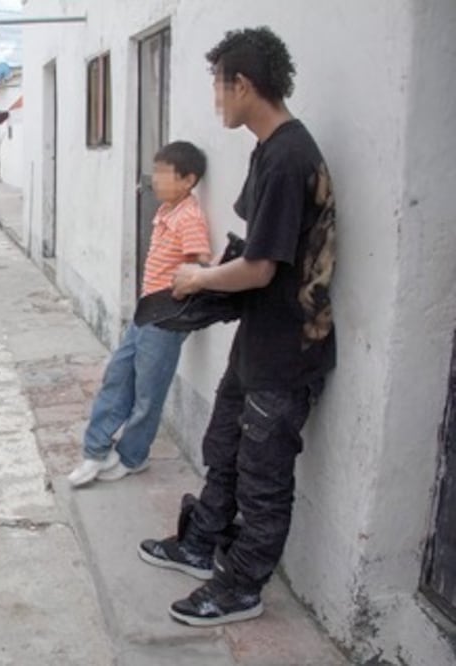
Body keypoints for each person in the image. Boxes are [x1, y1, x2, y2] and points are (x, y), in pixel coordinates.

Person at [139, 26, 336, 627]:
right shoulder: (269, 149)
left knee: (263, 476)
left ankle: (241, 587)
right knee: (222, 445)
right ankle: (201, 544)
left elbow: (258, 270)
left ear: (244, 84)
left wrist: (197, 279)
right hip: (259, 336)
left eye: (220, 87)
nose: (217, 101)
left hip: (287, 350)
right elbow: (257, 250)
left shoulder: (288, 157)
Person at [68, 141, 212, 487]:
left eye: (164, 173)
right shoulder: (165, 211)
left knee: (148, 392)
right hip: (146, 312)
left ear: (188, 180)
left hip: (166, 316)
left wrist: (177, 295)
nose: (156, 180)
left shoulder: (190, 216)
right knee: (118, 375)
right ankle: (96, 450)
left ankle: (133, 456)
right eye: (157, 171)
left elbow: (199, 265)